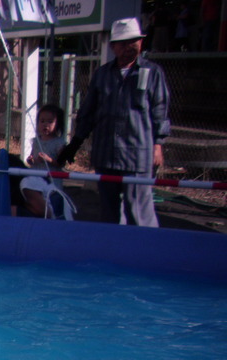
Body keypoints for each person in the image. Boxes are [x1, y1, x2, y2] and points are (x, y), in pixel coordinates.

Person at [57, 17, 171, 227]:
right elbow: (88, 112)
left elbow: (160, 111)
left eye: (134, 41)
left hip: (137, 155)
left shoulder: (152, 73)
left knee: (139, 211)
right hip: (106, 154)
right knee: (109, 213)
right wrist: (74, 144)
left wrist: (158, 145)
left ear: (141, 42)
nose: (129, 47)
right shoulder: (102, 75)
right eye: (124, 43)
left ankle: (145, 245)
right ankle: (111, 245)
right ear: (113, 47)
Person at [21, 103, 74, 219]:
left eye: (50, 122)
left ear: (58, 124)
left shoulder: (59, 143)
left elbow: (61, 163)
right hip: (36, 177)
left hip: (52, 179)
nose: (45, 125)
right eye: (42, 121)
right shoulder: (36, 141)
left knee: (52, 202)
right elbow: (31, 158)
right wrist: (31, 160)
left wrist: (49, 159)